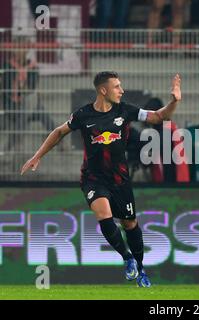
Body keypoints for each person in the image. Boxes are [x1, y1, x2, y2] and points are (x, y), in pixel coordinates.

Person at [20, 71, 182, 288]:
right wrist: (37, 156)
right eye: (117, 86)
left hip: (119, 179)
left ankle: (141, 270)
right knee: (103, 214)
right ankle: (127, 258)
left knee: (130, 223)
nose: (121, 90)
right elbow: (59, 132)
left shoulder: (125, 110)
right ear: (103, 90)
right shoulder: (83, 115)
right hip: (93, 178)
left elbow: (159, 117)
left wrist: (174, 101)